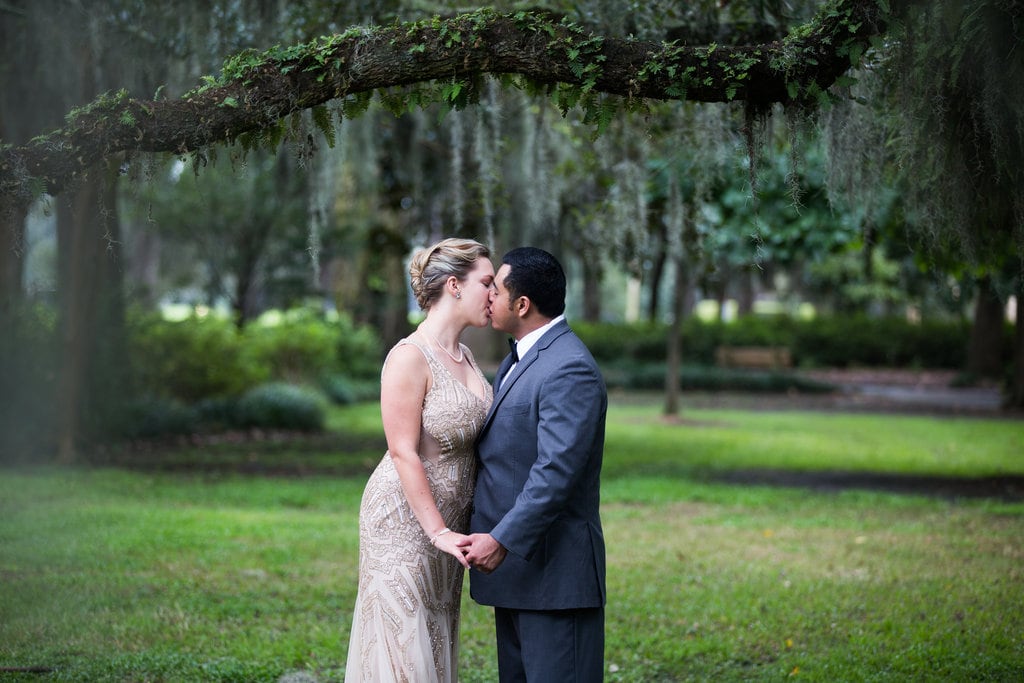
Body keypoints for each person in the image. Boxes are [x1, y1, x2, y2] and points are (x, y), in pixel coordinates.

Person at [345, 237, 495, 683]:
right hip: (405, 524)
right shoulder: (410, 356)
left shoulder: (466, 356)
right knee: (403, 641)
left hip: (449, 528)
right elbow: (401, 450)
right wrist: (438, 531)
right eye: (487, 282)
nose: (495, 294)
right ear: (454, 285)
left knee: (434, 632)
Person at [458, 247, 608, 682]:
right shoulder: (520, 358)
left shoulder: (570, 368)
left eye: (496, 290)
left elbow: (556, 473)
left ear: (522, 305)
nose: (487, 298)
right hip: (521, 577)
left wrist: (501, 540)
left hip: (555, 578)